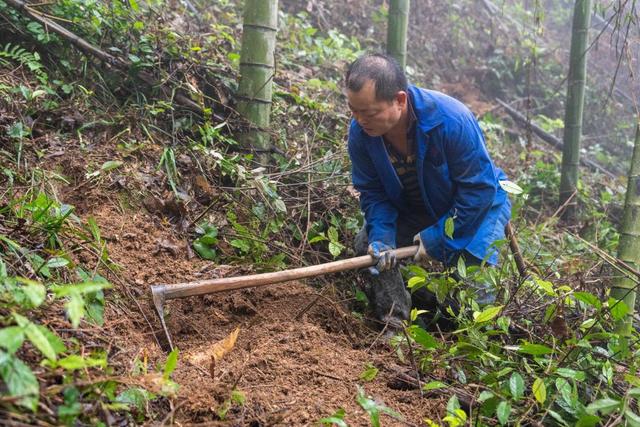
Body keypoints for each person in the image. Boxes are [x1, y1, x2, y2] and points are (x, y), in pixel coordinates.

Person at [346, 53, 512, 333]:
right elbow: (374, 193)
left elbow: (478, 190)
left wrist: (435, 239)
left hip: (475, 209)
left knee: (475, 307)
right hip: (416, 206)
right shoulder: (361, 134)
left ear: (400, 100)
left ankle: (450, 327)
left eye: (370, 112)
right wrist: (383, 237)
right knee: (369, 245)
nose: (360, 120)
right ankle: (396, 323)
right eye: (354, 110)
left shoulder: (451, 120)